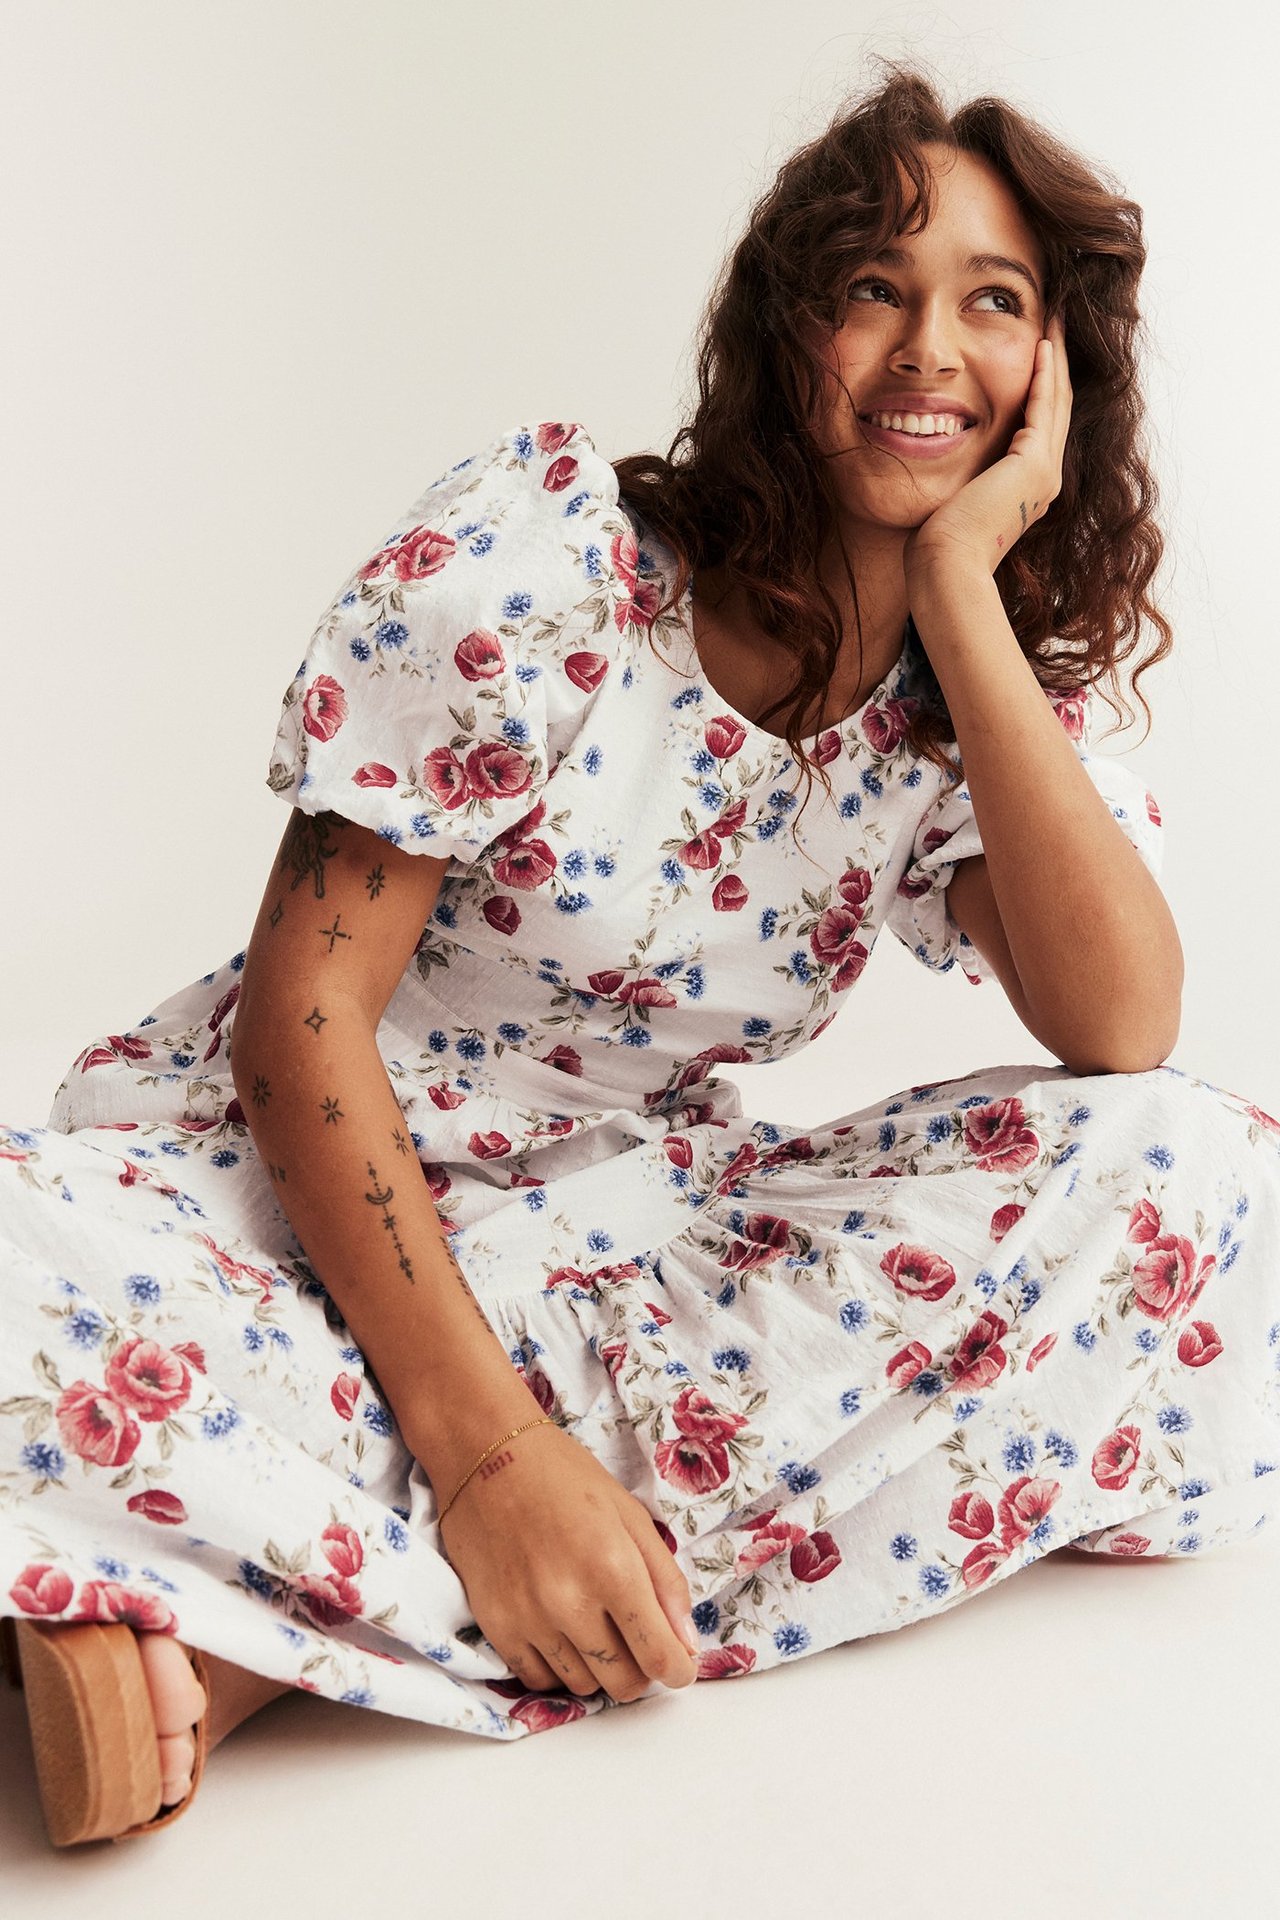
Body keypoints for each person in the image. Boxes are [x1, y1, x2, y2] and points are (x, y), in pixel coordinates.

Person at [4, 61, 1279, 1851]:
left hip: (622, 1237)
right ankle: (400, 1574)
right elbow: (301, 1021)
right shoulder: (552, 564)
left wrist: (967, 597)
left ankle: (233, 1655)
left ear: (1054, 376)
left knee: (1196, 1170)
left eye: (994, 304)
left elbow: (1123, 1023)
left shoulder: (960, 710)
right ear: (788, 328)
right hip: (302, 1191)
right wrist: (491, 1458)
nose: (931, 349)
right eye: (875, 289)